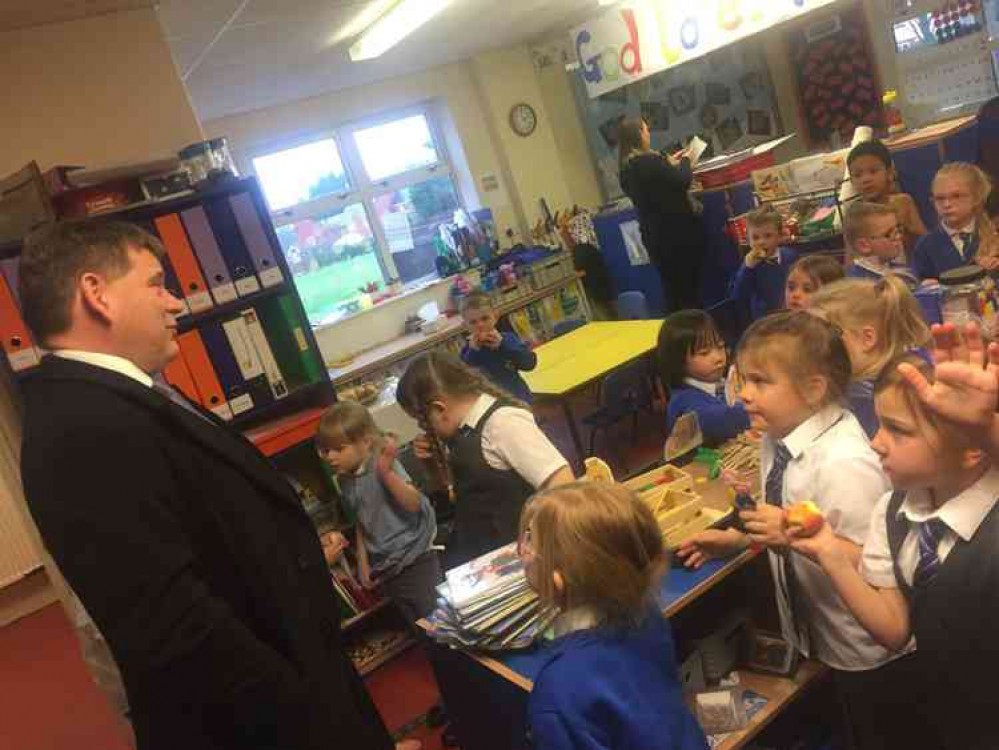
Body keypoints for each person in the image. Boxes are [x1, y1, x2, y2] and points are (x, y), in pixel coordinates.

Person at [17, 220, 405, 750]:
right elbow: (178, 626)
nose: (175, 302)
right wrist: (314, 719)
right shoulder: (80, 431)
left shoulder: (125, 395)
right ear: (96, 294)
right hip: (273, 722)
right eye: (155, 283)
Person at [676, 311, 925, 750]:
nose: (745, 396)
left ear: (814, 388)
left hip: (865, 652)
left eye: (760, 382)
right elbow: (789, 521)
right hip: (819, 636)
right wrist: (739, 541)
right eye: (742, 380)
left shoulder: (845, 464)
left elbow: (881, 565)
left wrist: (791, 536)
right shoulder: (778, 436)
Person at [791, 352, 996, 749]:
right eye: (880, 424)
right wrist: (830, 553)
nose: (875, 442)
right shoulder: (892, 512)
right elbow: (894, 630)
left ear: (974, 447)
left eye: (897, 430)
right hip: (947, 714)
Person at [519, 481, 708, 750]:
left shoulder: (558, 692)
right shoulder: (647, 613)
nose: (523, 551)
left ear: (557, 581)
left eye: (530, 540)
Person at [396, 352, 573, 568]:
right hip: (489, 556)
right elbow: (466, 494)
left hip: (526, 559)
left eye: (423, 422)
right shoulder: (463, 432)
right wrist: (433, 466)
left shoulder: (502, 423)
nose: (425, 430)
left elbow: (562, 483)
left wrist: (535, 543)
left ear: (439, 408)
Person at [317, 402, 439, 624]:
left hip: (416, 559)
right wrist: (364, 563)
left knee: (438, 626)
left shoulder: (383, 465)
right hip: (388, 569)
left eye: (339, 448)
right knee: (418, 629)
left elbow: (414, 504)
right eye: (325, 450)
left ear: (365, 441)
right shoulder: (345, 479)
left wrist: (385, 473)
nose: (330, 457)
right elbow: (363, 520)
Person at [809, 276, 930, 438]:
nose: (812, 347)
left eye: (825, 335)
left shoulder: (862, 400)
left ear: (867, 339)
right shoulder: (900, 376)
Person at [618, 118, 705, 312]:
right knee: (689, 292)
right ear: (639, 134)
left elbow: (659, 183)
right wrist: (686, 160)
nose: (649, 134)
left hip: (654, 238)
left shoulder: (626, 168)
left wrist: (669, 163)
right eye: (646, 130)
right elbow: (682, 180)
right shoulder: (649, 162)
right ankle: (698, 333)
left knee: (673, 290)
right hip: (676, 234)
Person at [659, 310, 749, 446]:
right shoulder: (685, 402)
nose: (719, 358)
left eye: (720, 347)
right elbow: (728, 419)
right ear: (679, 361)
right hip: (698, 464)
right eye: (704, 353)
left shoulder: (716, 383)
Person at [913, 162, 999, 280]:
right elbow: (920, 288)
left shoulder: (994, 236)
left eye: (957, 196)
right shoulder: (925, 246)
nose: (947, 204)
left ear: (977, 197)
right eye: (940, 198)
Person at [846, 139, 926, 253]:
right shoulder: (854, 215)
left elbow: (925, 240)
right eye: (858, 175)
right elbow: (851, 260)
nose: (866, 179)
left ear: (890, 173)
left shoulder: (902, 202)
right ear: (852, 181)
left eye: (873, 171)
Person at [460, 288, 536, 404]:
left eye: (485, 318)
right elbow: (464, 381)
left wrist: (504, 345)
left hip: (519, 399)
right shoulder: (468, 351)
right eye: (473, 322)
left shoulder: (508, 338)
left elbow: (529, 364)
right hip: (490, 404)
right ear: (465, 325)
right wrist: (473, 351)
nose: (480, 325)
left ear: (495, 317)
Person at [729, 207, 799, 319]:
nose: (761, 242)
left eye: (768, 236)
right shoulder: (749, 265)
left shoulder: (791, 256)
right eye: (755, 237)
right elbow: (738, 296)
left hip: (793, 314)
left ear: (780, 236)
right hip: (766, 320)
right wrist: (747, 268)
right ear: (748, 240)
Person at [843, 201, 918, 288]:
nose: (898, 237)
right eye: (889, 234)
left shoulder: (901, 271)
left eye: (897, 229)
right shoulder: (860, 287)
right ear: (864, 245)